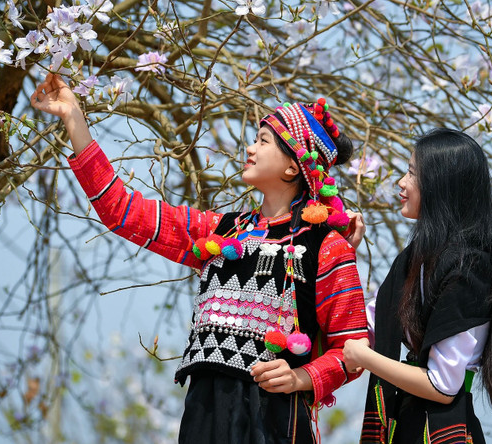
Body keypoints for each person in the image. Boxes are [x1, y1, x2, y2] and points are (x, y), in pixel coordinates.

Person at [30, 73, 368, 444]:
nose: (250, 148)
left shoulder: (326, 246)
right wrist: (74, 117)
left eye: (263, 141)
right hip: (203, 415)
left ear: (293, 166)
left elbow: (353, 350)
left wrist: (301, 377)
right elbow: (121, 211)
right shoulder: (220, 231)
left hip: (273, 421)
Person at [342, 128, 492, 444]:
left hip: (442, 430)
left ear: (440, 185)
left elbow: (442, 386)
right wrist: (342, 255)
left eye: (412, 173)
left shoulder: (470, 266)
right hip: (408, 421)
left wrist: (364, 358)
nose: (401, 182)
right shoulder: (416, 258)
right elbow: (363, 326)